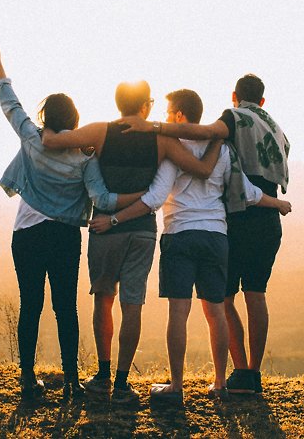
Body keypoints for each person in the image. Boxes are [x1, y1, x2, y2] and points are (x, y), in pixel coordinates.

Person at [90, 89, 291, 402]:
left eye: (170, 112)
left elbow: (155, 198)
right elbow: (246, 191)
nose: (167, 118)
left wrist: (114, 218)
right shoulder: (222, 149)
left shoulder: (173, 150)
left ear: (180, 116)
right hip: (216, 237)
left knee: (178, 313)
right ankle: (221, 384)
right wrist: (276, 203)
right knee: (216, 312)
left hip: (180, 234)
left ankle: (177, 387)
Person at [0, 35, 144, 402]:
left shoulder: (33, 139)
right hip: (65, 236)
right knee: (65, 307)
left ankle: (27, 380)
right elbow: (101, 198)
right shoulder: (84, 157)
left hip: (26, 233)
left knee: (31, 305)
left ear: (45, 117)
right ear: (75, 120)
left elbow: (11, 105)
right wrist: (144, 198)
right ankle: (72, 381)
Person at [41, 82, 222, 403]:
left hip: (104, 231)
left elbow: (54, 141)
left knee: (103, 299)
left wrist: (46, 127)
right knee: (132, 304)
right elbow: (202, 170)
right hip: (141, 231)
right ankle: (123, 383)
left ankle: (102, 375)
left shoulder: (99, 132)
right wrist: (219, 137)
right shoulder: (161, 140)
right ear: (145, 108)